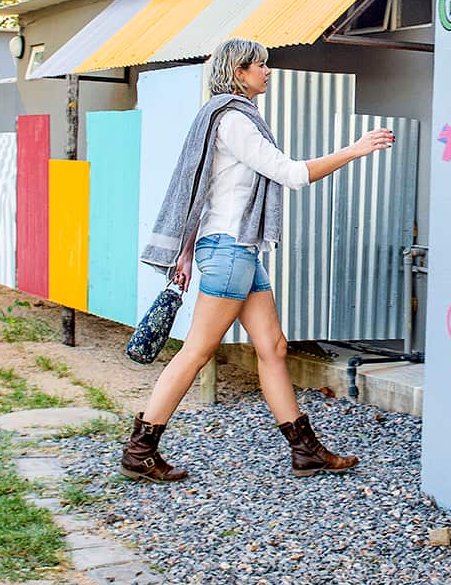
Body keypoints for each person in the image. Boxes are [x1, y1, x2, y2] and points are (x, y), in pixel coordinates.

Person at [121, 37, 394, 482]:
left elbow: (206, 192)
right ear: (239, 71)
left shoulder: (229, 118)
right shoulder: (235, 121)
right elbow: (290, 174)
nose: (267, 72)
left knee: (272, 347)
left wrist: (189, 252)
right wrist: (355, 149)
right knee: (197, 350)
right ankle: (140, 449)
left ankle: (305, 451)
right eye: (259, 65)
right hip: (230, 250)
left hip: (235, 248)